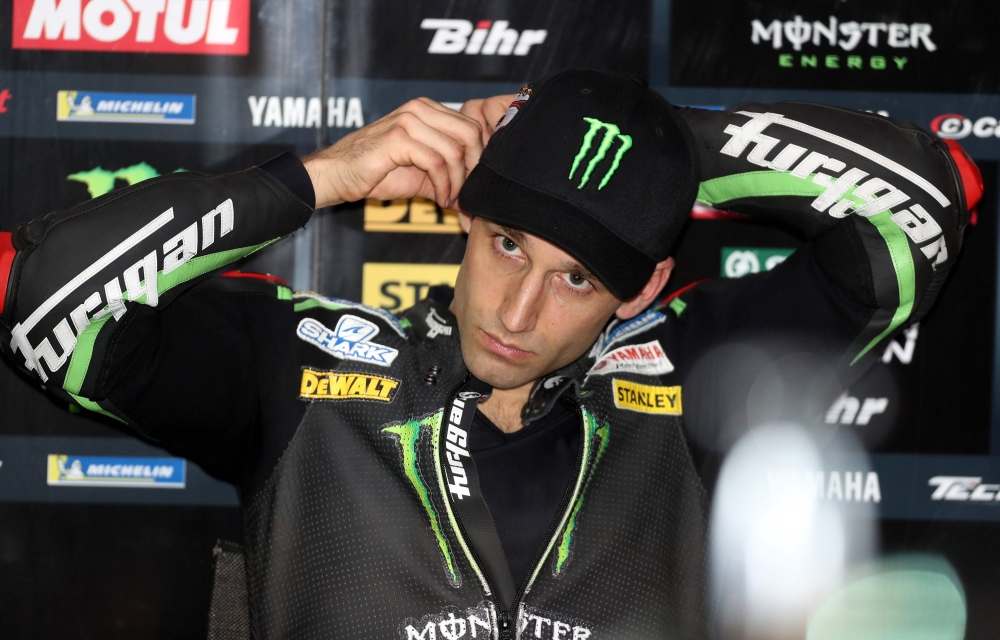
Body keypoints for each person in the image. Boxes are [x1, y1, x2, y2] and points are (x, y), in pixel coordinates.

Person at [0, 70, 978, 639]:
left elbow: (926, 203)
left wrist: (655, 143)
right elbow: (39, 297)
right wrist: (315, 178)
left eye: (576, 279)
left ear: (639, 289)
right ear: (464, 217)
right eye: (507, 244)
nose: (516, 307)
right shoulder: (294, 366)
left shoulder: (697, 376)